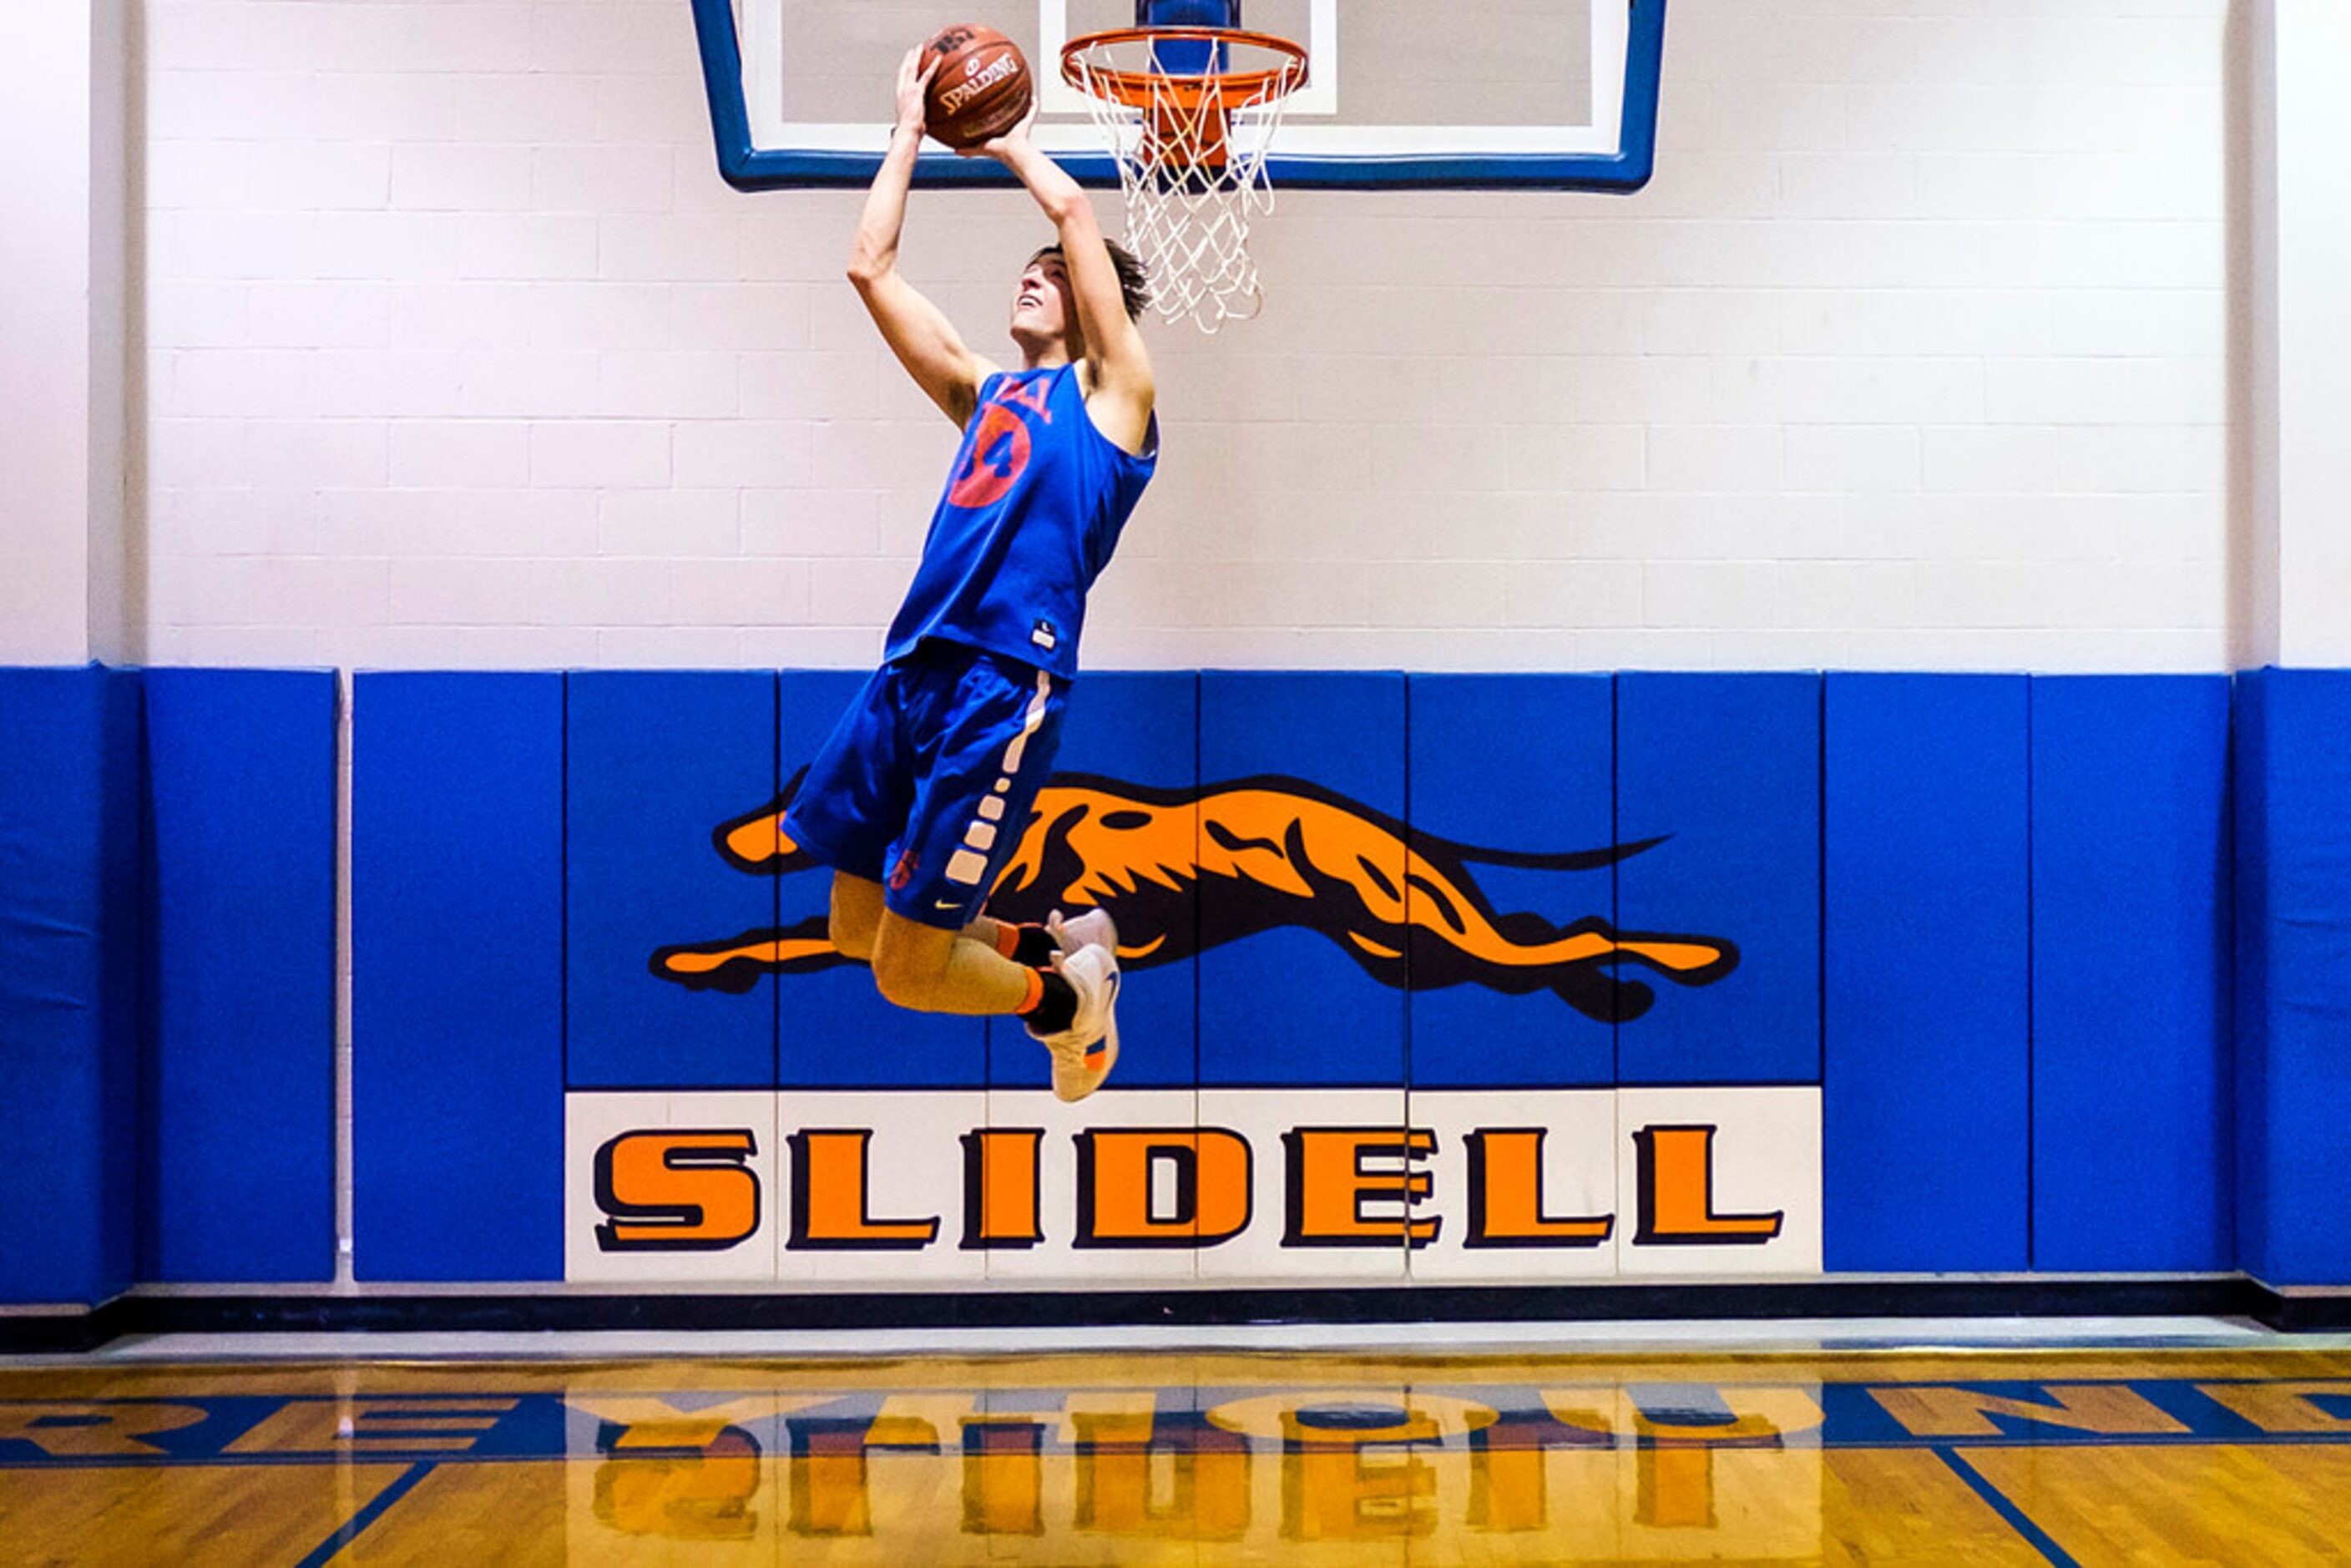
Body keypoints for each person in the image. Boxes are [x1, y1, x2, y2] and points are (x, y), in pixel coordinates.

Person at [780, 48, 1158, 1103]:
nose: (1028, 275)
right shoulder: (983, 393)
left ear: (1092, 309)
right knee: (854, 926)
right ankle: (1058, 946)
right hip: (912, 670)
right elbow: (870, 270)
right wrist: (908, 127)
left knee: (908, 973)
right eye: (1024, 269)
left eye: (1046, 274)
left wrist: (999, 137)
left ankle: (1070, 1007)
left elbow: (1078, 217)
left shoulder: (1115, 398)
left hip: (1000, 686)